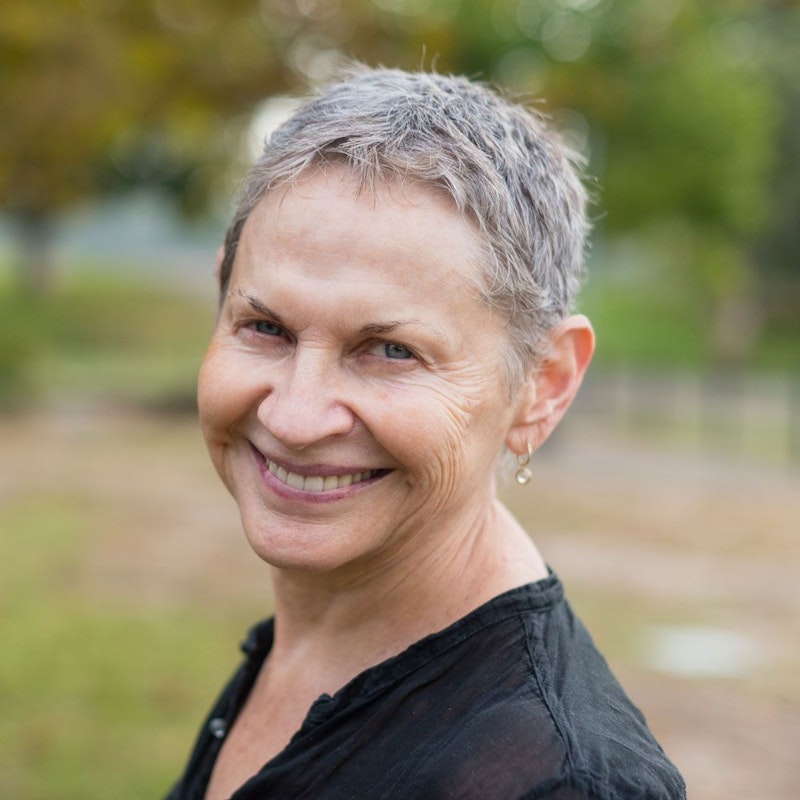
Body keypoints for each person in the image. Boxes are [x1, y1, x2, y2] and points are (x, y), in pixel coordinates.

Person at [165, 66, 686, 800]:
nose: (292, 415)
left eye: (391, 350)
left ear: (545, 384)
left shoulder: (557, 782)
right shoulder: (315, 643)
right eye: (265, 328)